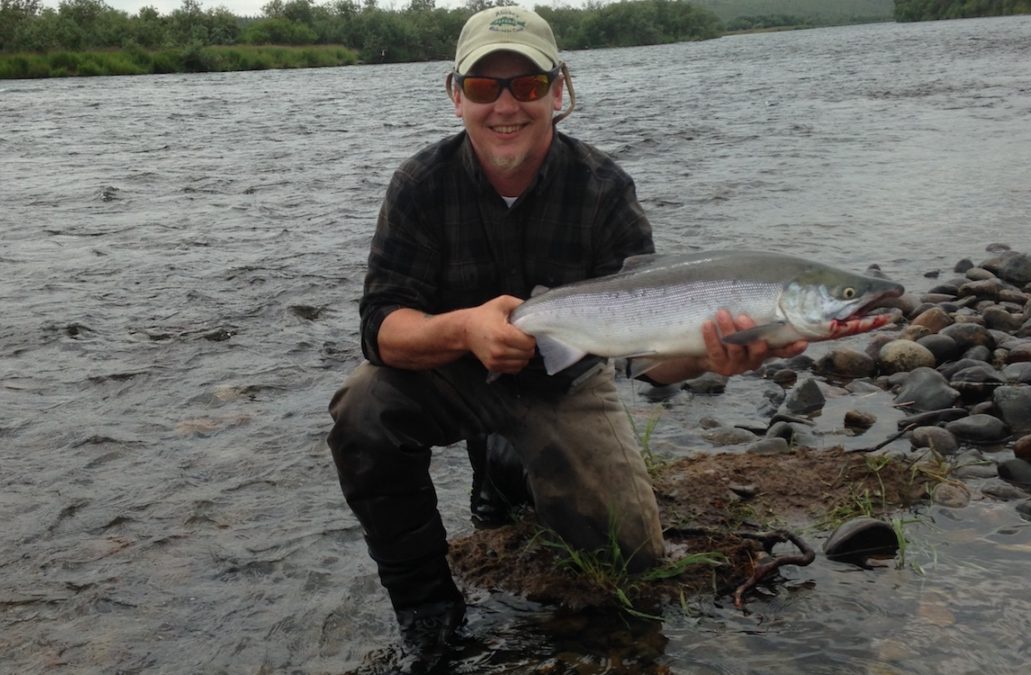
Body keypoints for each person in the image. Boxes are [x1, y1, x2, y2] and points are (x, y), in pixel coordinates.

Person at [328, 5, 806, 668]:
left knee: (632, 561)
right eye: (483, 87)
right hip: (456, 370)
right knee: (362, 410)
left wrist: (711, 355)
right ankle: (429, 609)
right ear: (454, 95)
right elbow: (381, 328)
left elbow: (646, 358)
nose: (505, 106)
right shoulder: (419, 185)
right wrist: (467, 327)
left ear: (559, 90)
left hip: (566, 385)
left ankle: (503, 460)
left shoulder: (604, 188)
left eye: (526, 86)